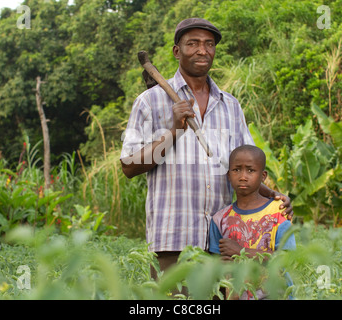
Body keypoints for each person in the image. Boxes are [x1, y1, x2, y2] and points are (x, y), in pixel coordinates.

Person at [120, 18, 293, 283]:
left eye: (209, 44)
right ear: (177, 51)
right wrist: (173, 131)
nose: (202, 50)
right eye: (193, 43)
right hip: (174, 240)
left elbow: (243, 167)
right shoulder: (150, 102)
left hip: (225, 243)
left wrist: (273, 196)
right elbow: (129, 166)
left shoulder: (230, 106)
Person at [209, 144, 296, 299]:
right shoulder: (219, 219)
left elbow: (287, 260)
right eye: (236, 170)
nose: (243, 176)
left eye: (250, 170)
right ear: (229, 175)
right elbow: (217, 267)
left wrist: (241, 252)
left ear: (263, 176)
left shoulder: (278, 213)